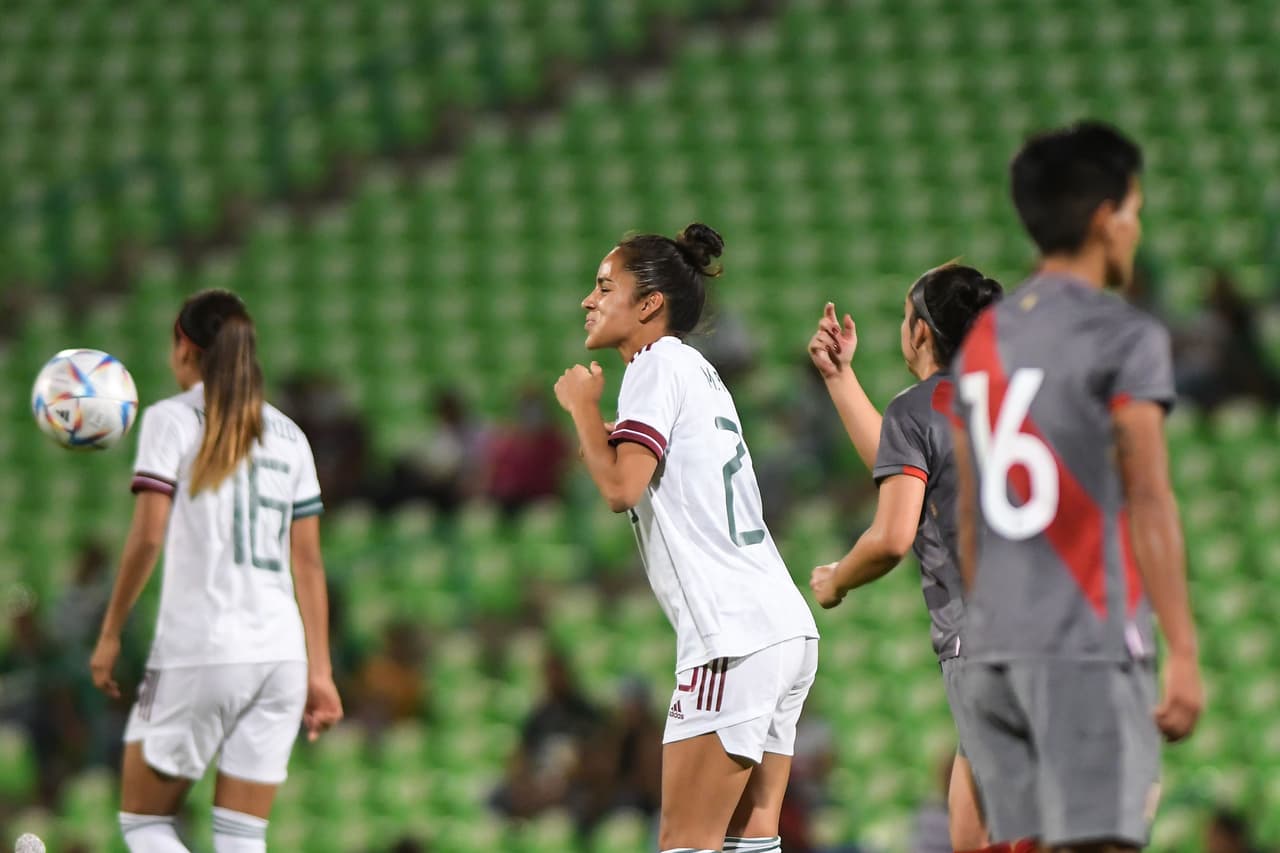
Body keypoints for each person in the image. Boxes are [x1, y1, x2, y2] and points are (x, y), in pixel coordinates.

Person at [950, 121, 1203, 851]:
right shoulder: (1122, 336)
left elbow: (971, 517)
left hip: (995, 651)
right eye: (1134, 211)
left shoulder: (985, 340)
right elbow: (1150, 497)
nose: (1136, 228)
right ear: (1104, 219)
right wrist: (1182, 651)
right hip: (1083, 646)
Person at [554, 223, 819, 853]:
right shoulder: (697, 371)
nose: (588, 301)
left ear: (649, 304)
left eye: (604, 286)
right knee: (751, 837)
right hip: (784, 629)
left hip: (729, 635)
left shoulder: (653, 364)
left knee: (684, 842)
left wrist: (583, 410)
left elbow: (621, 487)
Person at [89, 290, 344, 853]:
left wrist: (109, 633)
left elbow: (149, 535)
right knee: (240, 838)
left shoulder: (171, 421)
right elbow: (308, 562)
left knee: (146, 824)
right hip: (282, 658)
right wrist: (320, 671)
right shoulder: (290, 436)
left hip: (201, 649)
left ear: (184, 347)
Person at [807, 263, 1003, 851]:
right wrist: (841, 377)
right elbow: (906, 470)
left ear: (920, 332)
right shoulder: (1009, 402)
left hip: (981, 642)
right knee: (973, 820)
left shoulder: (919, 408)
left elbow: (893, 536)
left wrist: (837, 579)